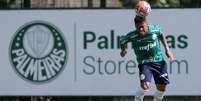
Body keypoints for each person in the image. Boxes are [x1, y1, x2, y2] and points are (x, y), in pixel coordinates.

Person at [120, 15, 174, 101]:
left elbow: (161, 34)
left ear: (146, 24)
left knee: (161, 89)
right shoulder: (132, 35)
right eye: (138, 28)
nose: (140, 29)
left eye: (142, 27)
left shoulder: (154, 30)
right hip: (144, 64)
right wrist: (124, 49)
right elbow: (122, 40)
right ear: (135, 27)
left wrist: (167, 49)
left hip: (159, 62)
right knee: (145, 86)